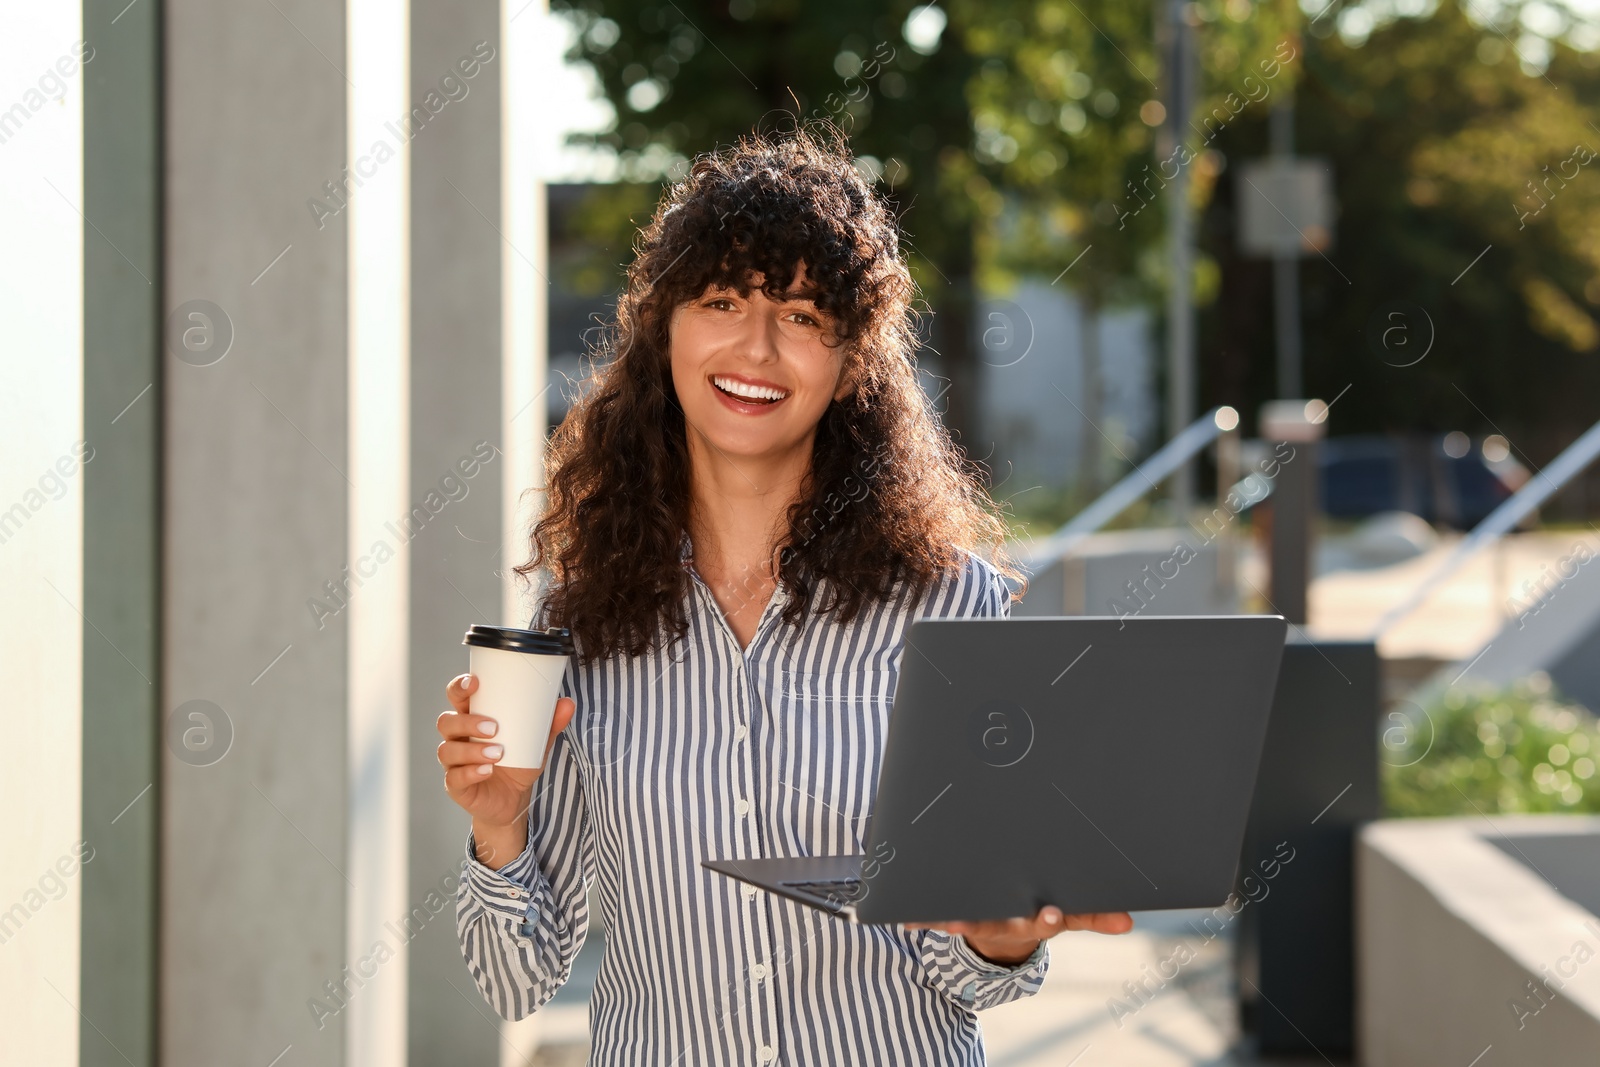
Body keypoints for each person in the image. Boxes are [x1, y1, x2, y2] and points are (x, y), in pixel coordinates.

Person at [436, 128, 1131, 1065]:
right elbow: (516, 978)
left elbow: (968, 971)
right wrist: (497, 825)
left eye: (803, 316)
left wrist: (999, 933)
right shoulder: (580, 619)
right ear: (665, 331)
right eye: (721, 301)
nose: (756, 347)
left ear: (851, 364)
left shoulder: (950, 605)